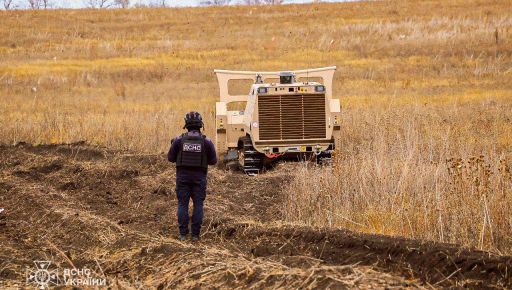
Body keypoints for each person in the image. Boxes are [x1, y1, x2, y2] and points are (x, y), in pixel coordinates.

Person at [168, 111, 217, 241]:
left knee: (182, 205)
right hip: (199, 179)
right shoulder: (207, 142)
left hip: (182, 178)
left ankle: (183, 234)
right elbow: (213, 161)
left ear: (186, 125)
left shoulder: (179, 140)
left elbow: (170, 158)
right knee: (198, 205)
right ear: (201, 125)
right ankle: (195, 235)